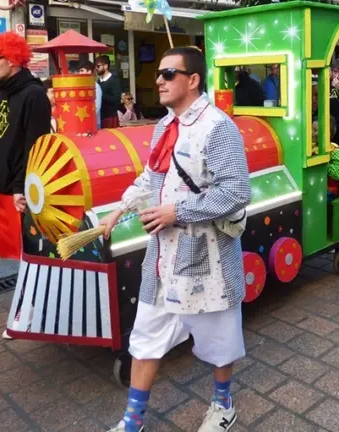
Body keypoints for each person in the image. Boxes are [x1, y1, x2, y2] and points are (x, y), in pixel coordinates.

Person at [102, 46, 251, 432]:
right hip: (162, 257)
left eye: (169, 73)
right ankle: (132, 422)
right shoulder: (163, 125)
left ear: (193, 80)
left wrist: (176, 212)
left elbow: (235, 192)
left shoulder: (218, 127)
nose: (159, 80)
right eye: (160, 74)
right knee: (146, 336)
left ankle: (223, 406)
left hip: (208, 256)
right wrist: (122, 206)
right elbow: (154, 175)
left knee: (219, 339)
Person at [0, 31, 52, 261]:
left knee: (29, 255)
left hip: (20, 190)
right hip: (0, 187)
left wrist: (20, 188)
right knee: (9, 253)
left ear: (13, 60)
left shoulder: (34, 94)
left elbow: (34, 147)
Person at [95, 56, 123, 128]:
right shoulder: (98, 81)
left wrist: (100, 95)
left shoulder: (114, 80)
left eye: (98, 66)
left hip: (110, 116)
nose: (96, 68)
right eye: (95, 66)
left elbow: (116, 100)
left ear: (106, 66)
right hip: (100, 116)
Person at [78, 61, 103, 129]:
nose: (80, 73)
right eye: (79, 71)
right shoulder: (81, 86)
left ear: (89, 71)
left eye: (82, 70)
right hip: (82, 122)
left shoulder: (96, 87)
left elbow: (97, 108)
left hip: (93, 123)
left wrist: (86, 119)